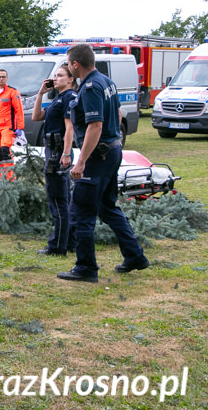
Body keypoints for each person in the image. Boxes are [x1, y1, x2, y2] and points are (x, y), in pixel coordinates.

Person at [58, 44, 149, 283]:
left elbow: (95, 126)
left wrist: (81, 162)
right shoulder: (106, 82)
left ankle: (86, 267)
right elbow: (118, 114)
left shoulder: (90, 88)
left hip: (98, 157)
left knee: (81, 212)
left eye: (68, 63)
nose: (67, 67)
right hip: (112, 151)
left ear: (76, 64)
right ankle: (135, 257)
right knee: (108, 208)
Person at [31, 64, 78, 256]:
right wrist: (41, 94)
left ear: (70, 79)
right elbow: (36, 117)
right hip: (53, 149)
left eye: (60, 75)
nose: (55, 78)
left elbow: (70, 128)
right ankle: (69, 243)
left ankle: (58, 246)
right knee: (63, 200)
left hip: (59, 151)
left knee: (58, 201)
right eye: (55, 75)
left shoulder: (69, 98)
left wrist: (66, 153)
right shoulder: (58, 98)